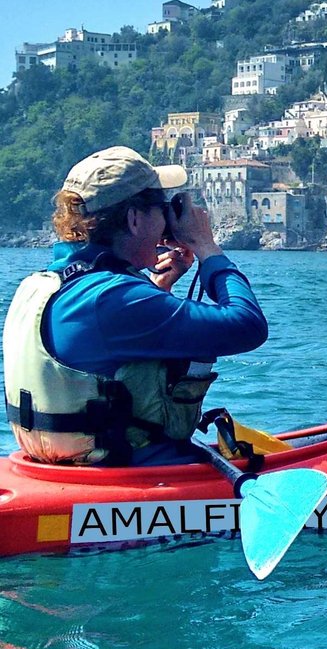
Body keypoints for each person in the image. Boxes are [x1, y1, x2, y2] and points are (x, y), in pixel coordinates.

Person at [2, 146, 268, 466]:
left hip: (62, 468)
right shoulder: (116, 300)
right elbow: (248, 325)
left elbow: (101, 350)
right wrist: (206, 247)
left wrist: (159, 289)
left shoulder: (43, 286)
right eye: (160, 208)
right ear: (133, 218)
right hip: (138, 473)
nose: (167, 220)